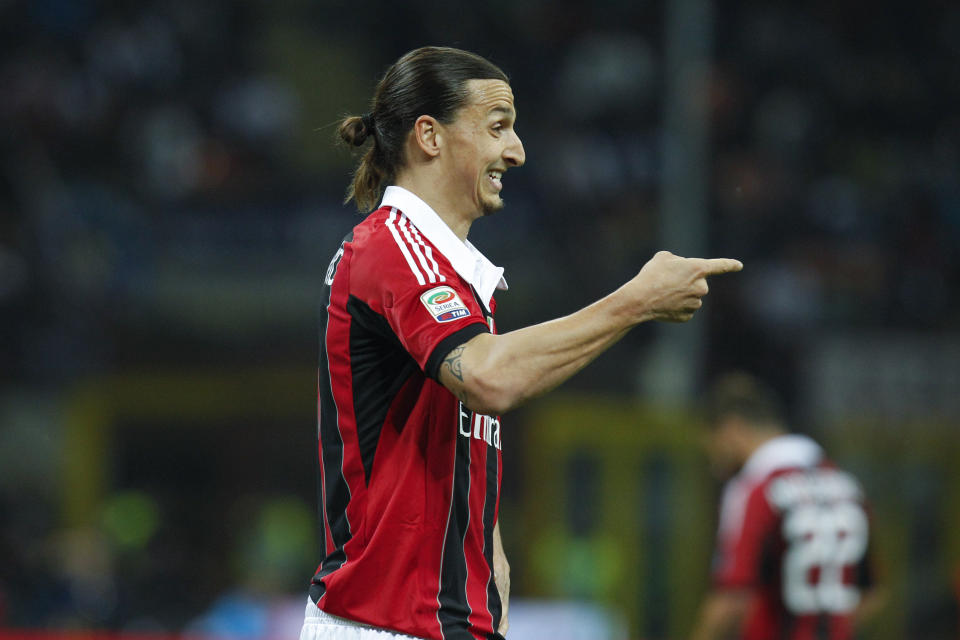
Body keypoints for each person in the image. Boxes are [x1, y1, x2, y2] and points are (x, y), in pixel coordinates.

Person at [304, 46, 743, 640]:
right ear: (429, 135)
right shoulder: (392, 248)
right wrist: (635, 302)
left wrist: (493, 577)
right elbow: (491, 379)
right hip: (386, 623)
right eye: (497, 127)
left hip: (444, 622)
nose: (516, 151)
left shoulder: (451, 274)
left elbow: (458, 449)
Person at [690, 372, 883, 640]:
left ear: (731, 429)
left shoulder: (755, 490)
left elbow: (731, 598)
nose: (713, 459)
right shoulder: (845, 485)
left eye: (711, 443)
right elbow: (870, 595)